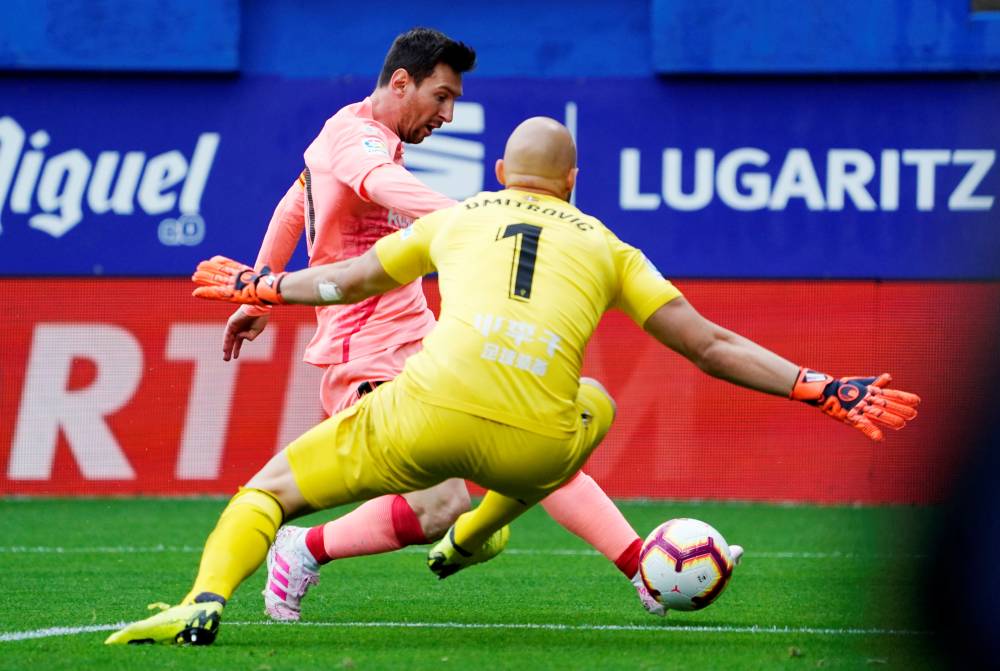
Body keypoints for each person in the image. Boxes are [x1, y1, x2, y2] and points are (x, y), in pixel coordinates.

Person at [106, 117, 920, 646]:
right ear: (574, 182)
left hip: (419, 414)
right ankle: (520, 541)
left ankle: (207, 599)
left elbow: (348, 279)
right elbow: (706, 344)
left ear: (498, 170)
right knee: (591, 404)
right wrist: (821, 385)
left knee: (266, 494)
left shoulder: (456, 217)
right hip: (532, 450)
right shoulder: (608, 246)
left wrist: (263, 287)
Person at [224, 26, 664, 622]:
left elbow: (295, 201)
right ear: (401, 82)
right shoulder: (357, 140)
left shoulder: (365, 138)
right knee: (443, 508)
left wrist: (259, 293)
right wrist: (478, 219)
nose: (449, 115)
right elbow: (378, 186)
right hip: (365, 350)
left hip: (423, 336)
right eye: (442, 97)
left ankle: (641, 566)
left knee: (544, 441)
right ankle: (301, 547)